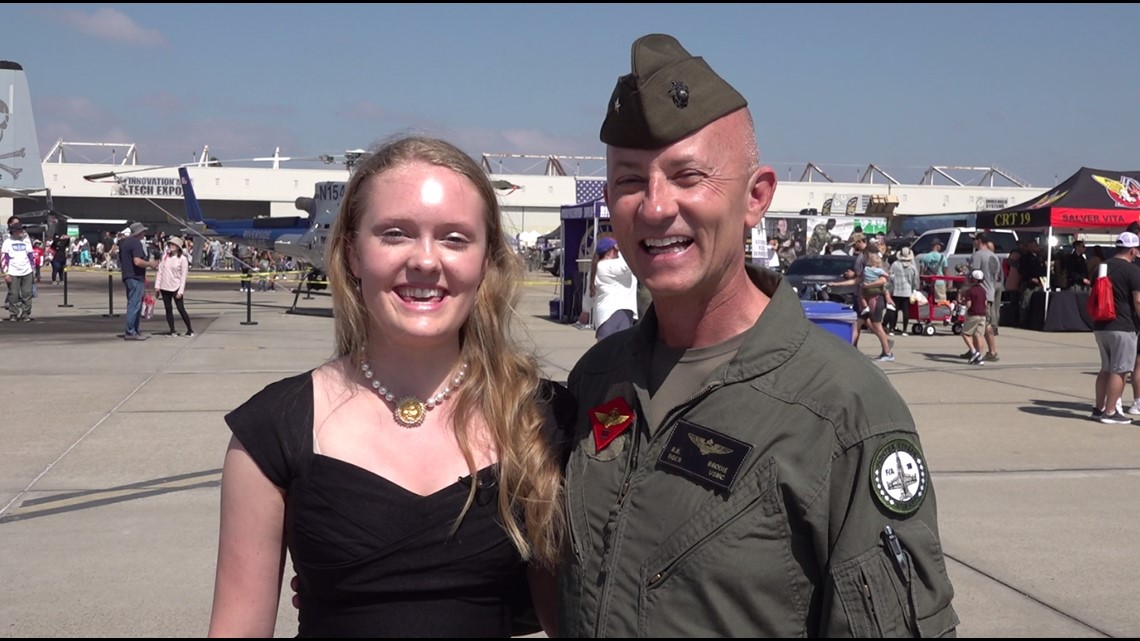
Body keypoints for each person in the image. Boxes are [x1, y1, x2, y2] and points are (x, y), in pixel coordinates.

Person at [557, 33, 958, 637]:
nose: (656, 207)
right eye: (630, 181)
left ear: (756, 197)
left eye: (687, 175)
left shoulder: (841, 412)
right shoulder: (598, 378)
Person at [208, 135, 572, 638]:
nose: (425, 260)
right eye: (396, 234)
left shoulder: (543, 420)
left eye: (455, 238)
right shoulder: (273, 429)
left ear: (486, 261)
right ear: (353, 254)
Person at [1091, 232, 1140, 424]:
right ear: (1133, 250)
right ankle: (1110, 412)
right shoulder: (1133, 271)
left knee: (1105, 368)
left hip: (1101, 324)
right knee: (1120, 370)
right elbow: (1137, 300)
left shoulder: (1100, 267)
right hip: (1123, 325)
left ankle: (1098, 408)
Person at [587, 236, 638, 340]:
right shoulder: (610, 265)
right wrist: (622, 250)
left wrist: (586, 309)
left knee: (606, 350)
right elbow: (627, 265)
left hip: (603, 315)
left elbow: (589, 294)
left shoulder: (595, 269)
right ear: (610, 251)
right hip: (618, 312)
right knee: (620, 350)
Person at [118, 222, 158, 340]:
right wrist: (150, 264)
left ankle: (134, 330)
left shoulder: (124, 244)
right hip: (135, 277)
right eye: (143, 231)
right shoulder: (136, 244)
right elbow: (137, 261)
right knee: (134, 305)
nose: (144, 233)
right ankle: (131, 331)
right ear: (139, 233)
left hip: (127, 276)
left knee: (134, 303)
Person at [967, 232, 1000, 361]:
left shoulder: (978, 255)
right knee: (978, 324)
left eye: (974, 239)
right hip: (990, 292)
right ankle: (974, 350)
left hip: (980, 294)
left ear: (979, 241)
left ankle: (992, 352)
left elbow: (974, 274)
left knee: (984, 324)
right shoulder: (994, 256)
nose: (973, 242)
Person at [154, 236, 195, 337]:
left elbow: (183, 276)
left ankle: (190, 330)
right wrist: (157, 286)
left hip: (176, 287)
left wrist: (180, 291)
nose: (171, 246)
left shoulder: (182, 259)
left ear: (178, 247)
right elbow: (160, 271)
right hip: (164, 286)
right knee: (168, 309)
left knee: (181, 309)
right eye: (170, 244)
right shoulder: (165, 257)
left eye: (174, 244)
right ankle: (172, 330)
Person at [2, 222, 36, 322]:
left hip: (27, 271)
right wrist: (6, 272)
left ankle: (25, 313)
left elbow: (31, 256)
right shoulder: (7, 242)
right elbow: (4, 258)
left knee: (27, 293)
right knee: (14, 294)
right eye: (19, 230)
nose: (22, 232)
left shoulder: (26, 241)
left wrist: (33, 269)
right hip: (13, 271)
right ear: (14, 231)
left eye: (22, 230)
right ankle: (13, 314)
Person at [958, 270, 990, 365]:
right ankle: (980, 356)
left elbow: (969, 304)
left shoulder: (970, 291)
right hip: (982, 315)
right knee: (978, 335)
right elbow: (985, 303)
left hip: (973, 314)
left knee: (965, 333)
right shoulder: (983, 290)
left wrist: (963, 302)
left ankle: (973, 352)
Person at [887, 245, 921, 335]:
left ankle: (891, 329)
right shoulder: (912, 267)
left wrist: (891, 287)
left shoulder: (895, 264)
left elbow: (890, 277)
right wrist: (914, 289)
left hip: (896, 290)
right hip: (907, 291)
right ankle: (905, 330)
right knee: (906, 310)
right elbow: (915, 279)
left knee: (895, 310)